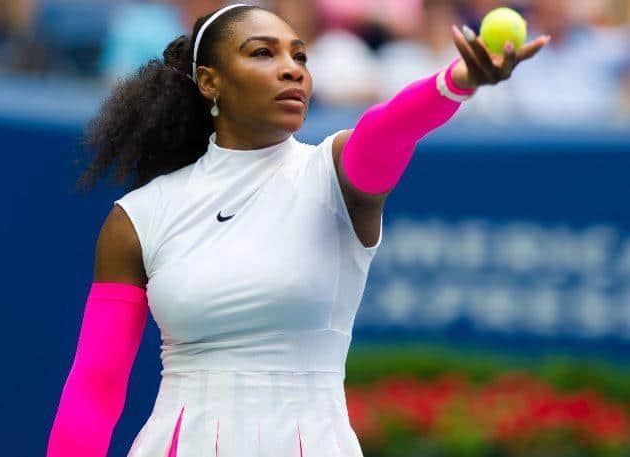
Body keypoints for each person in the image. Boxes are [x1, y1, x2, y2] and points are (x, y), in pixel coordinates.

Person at [47, 3, 548, 456]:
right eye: (263, 53)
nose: (292, 68)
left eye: (300, 56)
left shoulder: (334, 175)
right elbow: (95, 387)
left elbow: (387, 130)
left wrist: (456, 81)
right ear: (209, 81)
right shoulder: (138, 216)